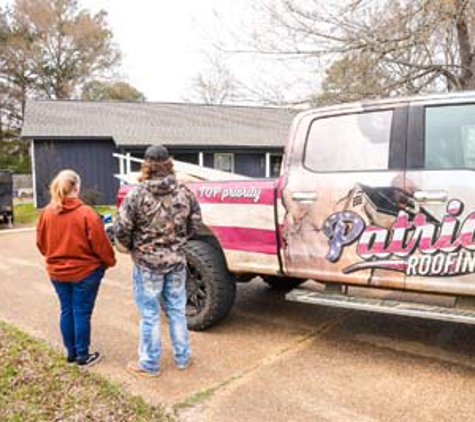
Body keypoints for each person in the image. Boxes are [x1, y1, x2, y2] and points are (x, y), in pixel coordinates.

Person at [114, 145, 202, 378]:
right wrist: (177, 242)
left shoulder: (137, 194)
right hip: (176, 260)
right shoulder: (185, 192)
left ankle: (150, 364)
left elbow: (121, 229)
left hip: (147, 264)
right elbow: (195, 226)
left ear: (147, 165)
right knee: (177, 310)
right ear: (169, 163)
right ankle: (183, 358)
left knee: (150, 314)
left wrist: (134, 247)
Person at [37, 169, 116, 367]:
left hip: (57, 272)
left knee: (67, 310)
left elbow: (41, 244)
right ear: (76, 187)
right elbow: (101, 245)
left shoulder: (46, 213)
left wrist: (55, 257)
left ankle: (71, 353)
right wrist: (109, 262)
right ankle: (82, 355)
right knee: (81, 312)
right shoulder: (86, 213)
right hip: (85, 272)